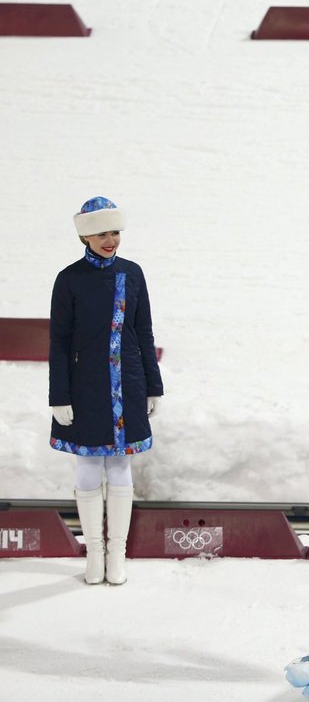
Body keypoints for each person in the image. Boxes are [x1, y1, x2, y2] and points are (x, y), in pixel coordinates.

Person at [49, 196, 164, 584]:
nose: (110, 239)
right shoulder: (69, 279)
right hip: (85, 387)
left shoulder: (133, 273)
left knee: (119, 466)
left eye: (114, 231)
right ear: (85, 235)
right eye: (101, 233)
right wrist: (59, 395)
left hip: (127, 384)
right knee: (86, 466)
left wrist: (153, 384)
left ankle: (118, 554)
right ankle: (93, 554)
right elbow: (60, 341)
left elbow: (143, 331)